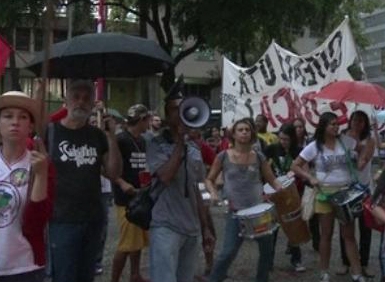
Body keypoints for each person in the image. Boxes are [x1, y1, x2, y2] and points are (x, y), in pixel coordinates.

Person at [47, 80, 122, 282]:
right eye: (76, 97)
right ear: (66, 100)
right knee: (63, 276)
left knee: (86, 276)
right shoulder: (50, 133)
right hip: (61, 219)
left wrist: (111, 137)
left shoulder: (97, 136)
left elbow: (114, 173)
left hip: (92, 218)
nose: (80, 102)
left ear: (93, 102)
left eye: (86, 98)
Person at [146, 78, 215, 282]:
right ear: (168, 115)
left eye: (184, 107)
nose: (182, 112)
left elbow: (200, 187)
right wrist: (180, 142)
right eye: (176, 109)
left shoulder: (194, 148)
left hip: (191, 227)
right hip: (165, 226)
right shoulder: (156, 144)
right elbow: (166, 176)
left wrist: (206, 227)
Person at [291, 112, 367, 282]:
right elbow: (295, 165)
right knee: (326, 234)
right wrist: (309, 177)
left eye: (336, 124)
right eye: (332, 124)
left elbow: (362, 149)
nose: (336, 127)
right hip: (324, 194)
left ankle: (356, 272)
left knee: (348, 235)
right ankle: (324, 271)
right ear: (323, 126)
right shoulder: (315, 146)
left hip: (345, 194)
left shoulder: (346, 141)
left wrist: (358, 160)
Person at [205, 117, 283, 282]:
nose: (244, 133)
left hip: (259, 211)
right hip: (236, 212)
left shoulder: (259, 156)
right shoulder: (223, 156)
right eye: (240, 130)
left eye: (247, 130)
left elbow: (271, 179)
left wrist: (282, 188)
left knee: (267, 250)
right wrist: (213, 192)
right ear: (233, 134)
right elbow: (209, 179)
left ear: (252, 133)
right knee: (228, 252)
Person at [0, 91, 53, 282]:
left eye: (22, 117)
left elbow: (36, 223)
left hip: (24, 266)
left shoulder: (41, 164)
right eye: (7, 116)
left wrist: (40, 176)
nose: (15, 122)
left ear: (30, 126)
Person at [111, 104, 151, 282]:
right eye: (147, 119)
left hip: (140, 194)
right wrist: (120, 182)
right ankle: (115, 279)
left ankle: (135, 274)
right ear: (142, 120)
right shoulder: (120, 140)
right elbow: (106, 166)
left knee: (138, 240)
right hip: (125, 198)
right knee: (126, 244)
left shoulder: (141, 140)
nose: (149, 123)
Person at [336, 111, 375, 278]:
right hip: (345, 189)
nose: (357, 123)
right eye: (355, 120)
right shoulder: (341, 138)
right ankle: (346, 262)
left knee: (366, 227)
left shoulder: (370, 141)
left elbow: (360, 166)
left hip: (364, 189)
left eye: (361, 121)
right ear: (350, 121)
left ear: (365, 124)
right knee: (345, 228)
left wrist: (359, 147)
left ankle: (364, 263)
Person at [264, 123, 306, 272]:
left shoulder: (299, 151)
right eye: (280, 138)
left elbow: (304, 168)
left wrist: (297, 172)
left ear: (293, 139)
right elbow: (262, 163)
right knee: (273, 228)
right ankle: (268, 261)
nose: (283, 142)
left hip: (294, 192)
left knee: (292, 225)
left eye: (286, 139)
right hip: (275, 192)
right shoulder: (273, 149)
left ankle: (296, 259)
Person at [88, 113, 112, 275]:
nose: (95, 125)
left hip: (104, 190)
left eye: (97, 122)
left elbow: (111, 169)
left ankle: (96, 260)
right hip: (87, 190)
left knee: (101, 227)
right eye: (92, 122)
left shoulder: (106, 142)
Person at [293, 117, 320, 251]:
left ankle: (317, 242)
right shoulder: (289, 144)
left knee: (312, 213)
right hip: (295, 183)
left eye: (300, 126)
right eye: (295, 127)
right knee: (295, 213)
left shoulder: (310, 143)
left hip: (310, 181)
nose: (298, 129)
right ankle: (294, 242)